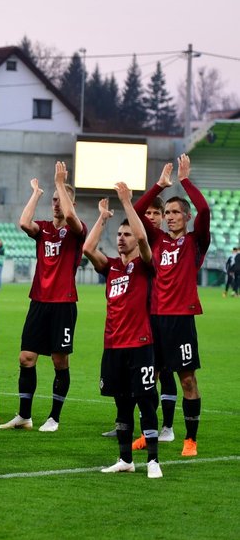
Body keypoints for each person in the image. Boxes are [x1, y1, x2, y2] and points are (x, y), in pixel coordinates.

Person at [131, 155, 210, 457]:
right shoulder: (158, 239)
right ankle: (148, 433)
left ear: (186, 217)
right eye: (167, 213)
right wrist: (159, 185)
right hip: (153, 319)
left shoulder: (195, 241)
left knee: (187, 378)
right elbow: (138, 210)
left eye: (176, 212)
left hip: (181, 320)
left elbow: (204, 208)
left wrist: (185, 180)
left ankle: (190, 438)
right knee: (148, 378)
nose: (170, 217)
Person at [0, 162, 86, 432]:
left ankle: (54, 418)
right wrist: (37, 193)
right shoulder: (45, 229)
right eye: (54, 200)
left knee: (60, 361)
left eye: (61, 200)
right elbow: (24, 222)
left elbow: (72, 219)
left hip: (63, 304)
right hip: (39, 301)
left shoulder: (76, 229)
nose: (56, 204)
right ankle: (24, 416)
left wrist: (61, 184)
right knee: (26, 358)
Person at [83, 186, 162, 479]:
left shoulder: (144, 265)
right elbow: (88, 249)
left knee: (145, 399)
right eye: (119, 234)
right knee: (122, 403)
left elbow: (143, 237)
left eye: (125, 234)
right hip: (113, 344)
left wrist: (128, 203)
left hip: (140, 343)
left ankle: (153, 459)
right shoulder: (112, 267)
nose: (121, 238)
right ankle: (125, 458)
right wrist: (102, 218)